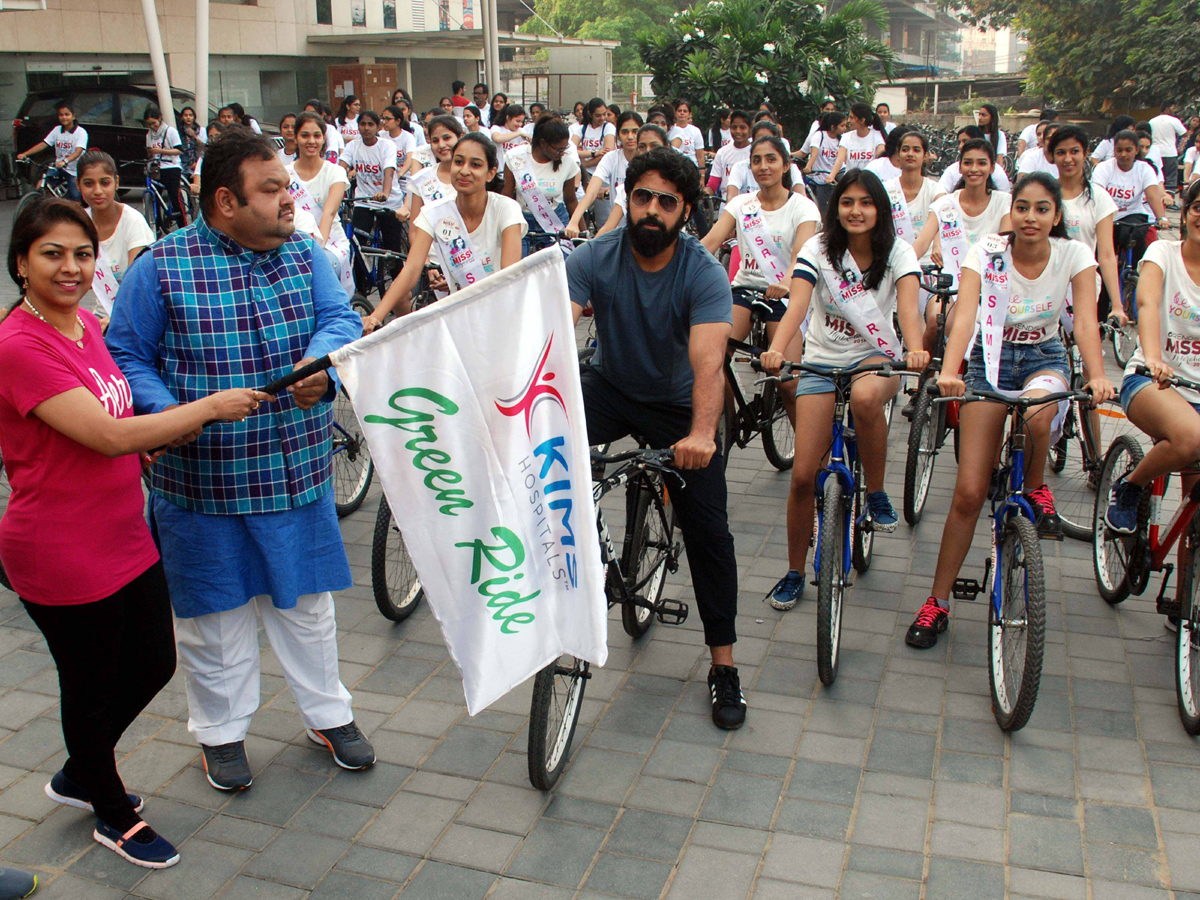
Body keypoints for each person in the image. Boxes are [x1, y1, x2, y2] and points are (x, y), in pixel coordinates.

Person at [0, 197, 269, 868]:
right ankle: (110, 811)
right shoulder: (17, 346)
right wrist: (203, 409)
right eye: (52, 254)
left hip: (124, 529)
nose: (71, 267)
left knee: (154, 661)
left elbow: (110, 418)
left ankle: (79, 771)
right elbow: (109, 432)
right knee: (88, 687)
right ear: (20, 264)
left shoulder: (85, 324)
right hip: (61, 547)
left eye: (83, 253)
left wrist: (140, 445)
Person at [106, 128, 374, 791]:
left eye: (287, 185)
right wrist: (173, 414)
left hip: (293, 470)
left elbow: (341, 320)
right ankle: (221, 735)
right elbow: (125, 354)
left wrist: (324, 367)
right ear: (226, 201)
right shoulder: (161, 268)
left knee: (306, 607)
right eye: (274, 189)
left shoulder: (305, 255)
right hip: (200, 482)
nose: (290, 199)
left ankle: (326, 714)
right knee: (214, 616)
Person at [566, 147, 746, 729]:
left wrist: (700, 433)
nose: (650, 209)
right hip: (613, 386)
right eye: (641, 196)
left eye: (666, 202)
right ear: (627, 199)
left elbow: (708, 361)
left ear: (686, 211)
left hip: (679, 403)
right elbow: (552, 329)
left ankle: (724, 665)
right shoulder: (596, 255)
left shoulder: (702, 272)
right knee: (536, 447)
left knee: (708, 531)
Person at [906, 173, 1113, 647]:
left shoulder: (1074, 255)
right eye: (1022, 207)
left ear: (1057, 216)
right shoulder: (988, 253)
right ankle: (937, 601)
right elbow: (966, 315)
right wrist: (950, 369)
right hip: (988, 361)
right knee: (969, 492)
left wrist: (1099, 375)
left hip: (1044, 359)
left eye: (1043, 209)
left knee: (1040, 414)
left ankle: (1037, 485)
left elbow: (1083, 321)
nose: (1031, 217)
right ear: (1010, 212)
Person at [760, 170, 928, 610]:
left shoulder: (898, 253)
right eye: (847, 202)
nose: (856, 211)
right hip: (820, 363)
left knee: (867, 398)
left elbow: (910, 311)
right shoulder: (817, 250)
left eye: (866, 202)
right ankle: (795, 571)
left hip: (876, 359)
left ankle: (875, 491)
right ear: (835, 208)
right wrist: (777, 349)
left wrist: (914, 349)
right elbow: (796, 305)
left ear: (880, 209)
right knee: (802, 478)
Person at [1105, 181, 1200, 567]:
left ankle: (1183, 614)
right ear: (1187, 212)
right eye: (1198, 207)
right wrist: (1155, 356)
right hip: (1153, 381)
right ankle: (1130, 488)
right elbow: (1147, 302)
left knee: (1195, 517)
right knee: (1192, 438)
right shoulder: (1163, 252)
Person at [702, 133, 820, 434]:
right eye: (756, 160)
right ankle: (727, 424)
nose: (763, 166)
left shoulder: (803, 208)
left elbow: (801, 256)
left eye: (771, 159)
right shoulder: (741, 204)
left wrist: (785, 280)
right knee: (713, 363)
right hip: (744, 288)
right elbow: (713, 240)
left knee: (788, 381)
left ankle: (808, 453)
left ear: (785, 165)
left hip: (786, 294)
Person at [364, 134, 525, 330]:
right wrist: (375, 316)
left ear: (490, 173)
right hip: (455, 311)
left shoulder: (506, 208)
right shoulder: (435, 212)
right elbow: (412, 269)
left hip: (498, 312)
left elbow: (508, 275)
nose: (464, 171)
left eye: (475, 165)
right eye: (458, 162)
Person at [914, 138, 1014, 288]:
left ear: (992, 168)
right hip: (950, 284)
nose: (974, 169)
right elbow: (921, 244)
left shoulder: (1005, 202)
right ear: (960, 168)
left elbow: (1006, 245)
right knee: (936, 311)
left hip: (990, 285)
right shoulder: (944, 204)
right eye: (968, 163)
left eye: (982, 163)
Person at [1050, 125, 1123, 321]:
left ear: (1085, 153)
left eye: (1074, 151)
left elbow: (1106, 254)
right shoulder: (1045, 194)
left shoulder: (1099, 197)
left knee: (1080, 344)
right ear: (1052, 156)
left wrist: (1117, 304)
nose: (1067, 159)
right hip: (1045, 285)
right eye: (1061, 152)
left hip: (1083, 284)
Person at [1092, 130, 1170, 275]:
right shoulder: (1104, 168)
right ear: (1114, 151)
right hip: (1107, 216)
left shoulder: (1144, 169)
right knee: (1102, 255)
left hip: (1133, 214)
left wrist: (1161, 218)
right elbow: (1098, 195)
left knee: (1136, 236)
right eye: (1119, 150)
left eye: (1128, 150)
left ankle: (1136, 273)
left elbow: (1152, 195)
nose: (1123, 154)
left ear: (1136, 150)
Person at [503, 117, 579, 256]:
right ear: (543, 143)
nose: (562, 153)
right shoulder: (516, 157)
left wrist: (581, 235)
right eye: (558, 149)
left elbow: (571, 200)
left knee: (562, 266)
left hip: (555, 220)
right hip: (523, 221)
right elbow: (507, 196)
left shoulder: (567, 163)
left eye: (565, 148)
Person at [78, 151, 155, 286]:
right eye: (89, 184)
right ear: (78, 185)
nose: (97, 191)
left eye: (105, 183)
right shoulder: (79, 222)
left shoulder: (133, 222)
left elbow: (135, 281)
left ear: (116, 182)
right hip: (99, 307)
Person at [567, 111, 641, 238]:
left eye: (635, 131)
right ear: (617, 135)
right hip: (617, 230)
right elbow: (591, 193)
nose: (630, 136)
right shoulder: (611, 158)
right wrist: (573, 222)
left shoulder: (649, 160)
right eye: (625, 132)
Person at [338, 110, 404, 252]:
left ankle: (396, 272)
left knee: (392, 248)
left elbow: (389, 173)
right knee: (357, 244)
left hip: (389, 202)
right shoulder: (353, 146)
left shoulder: (387, 146)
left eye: (370, 124)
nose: (366, 128)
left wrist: (384, 193)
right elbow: (339, 169)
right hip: (364, 201)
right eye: (362, 124)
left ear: (377, 127)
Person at [287, 111, 351, 250]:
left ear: (323, 138)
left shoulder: (335, 172)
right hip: (293, 244)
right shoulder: (285, 174)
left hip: (330, 244)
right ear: (296, 138)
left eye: (316, 135)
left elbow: (329, 213)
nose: (311, 141)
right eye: (305, 135)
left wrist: (317, 251)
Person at [595, 124, 669, 236]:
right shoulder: (628, 189)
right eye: (642, 146)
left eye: (654, 146)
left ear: (666, 147)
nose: (648, 151)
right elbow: (608, 228)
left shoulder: (676, 185)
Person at [16, 103, 88, 202]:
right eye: (61, 115)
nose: (64, 117)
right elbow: (44, 144)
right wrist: (25, 154)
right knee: (42, 183)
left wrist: (65, 161)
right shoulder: (57, 130)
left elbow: (78, 152)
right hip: (58, 166)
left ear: (73, 116)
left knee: (76, 197)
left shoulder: (81, 132)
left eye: (67, 114)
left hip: (74, 169)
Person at [405, 115, 465, 225]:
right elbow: (415, 229)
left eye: (447, 138)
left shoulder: (473, 175)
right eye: (435, 141)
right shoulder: (424, 179)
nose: (441, 145)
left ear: (460, 137)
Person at [143, 106, 187, 229]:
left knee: (174, 197)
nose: (152, 126)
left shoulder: (171, 131)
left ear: (160, 119)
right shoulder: (149, 135)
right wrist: (151, 152)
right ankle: (157, 227)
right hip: (157, 167)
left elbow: (179, 150)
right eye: (149, 124)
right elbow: (149, 152)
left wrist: (162, 150)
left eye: (154, 123)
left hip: (172, 166)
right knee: (156, 197)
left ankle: (183, 226)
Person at [938, 125, 1012, 194]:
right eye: (967, 163)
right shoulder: (952, 169)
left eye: (965, 141)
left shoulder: (997, 171)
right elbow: (940, 192)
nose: (961, 146)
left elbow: (1005, 195)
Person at [825, 102, 885, 183]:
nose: (848, 121)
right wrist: (831, 176)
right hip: (851, 182)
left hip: (870, 183)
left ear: (862, 120)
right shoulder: (846, 137)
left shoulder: (877, 136)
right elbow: (839, 159)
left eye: (851, 117)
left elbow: (880, 159)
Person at [802, 111, 847, 213]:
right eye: (842, 126)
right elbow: (814, 154)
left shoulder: (843, 139)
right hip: (822, 175)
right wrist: (809, 166)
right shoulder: (819, 135)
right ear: (832, 127)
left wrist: (833, 174)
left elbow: (841, 159)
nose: (845, 128)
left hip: (838, 171)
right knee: (824, 208)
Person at [706, 109, 752, 199]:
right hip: (726, 205)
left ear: (749, 130)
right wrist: (707, 191)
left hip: (750, 205)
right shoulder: (722, 153)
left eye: (742, 127)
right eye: (734, 127)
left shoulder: (755, 152)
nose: (738, 131)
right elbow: (714, 182)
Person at [380, 105, 418, 210]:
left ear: (397, 121)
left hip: (404, 178)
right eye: (383, 118)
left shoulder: (408, 137)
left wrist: (400, 173)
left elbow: (410, 158)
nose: (384, 122)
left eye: (388, 119)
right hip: (387, 177)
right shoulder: (381, 135)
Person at [574, 98, 617, 185]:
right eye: (598, 115)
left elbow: (607, 154)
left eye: (604, 114)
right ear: (590, 114)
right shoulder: (583, 129)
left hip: (603, 176)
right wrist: (594, 153)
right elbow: (570, 150)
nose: (602, 118)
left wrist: (585, 164)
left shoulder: (608, 127)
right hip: (585, 176)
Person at [489, 104, 530, 192]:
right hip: (500, 173)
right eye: (517, 121)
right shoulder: (497, 128)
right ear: (508, 117)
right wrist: (518, 134)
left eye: (521, 122)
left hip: (518, 174)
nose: (519, 124)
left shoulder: (522, 131)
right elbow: (497, 138)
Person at [1150, 101, 1187, 196]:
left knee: (1156, 176)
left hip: (1155, 153)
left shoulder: (1152, 121)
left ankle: (1156, 197)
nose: (1174, 111)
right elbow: (1184, 133)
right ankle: (1170, 199)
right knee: (1170, 178)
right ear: (1167, 109)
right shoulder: (1174, 120)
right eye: (1173, 108)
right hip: (1170, 153)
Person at [669, 99, 706, 170]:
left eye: (685, 111)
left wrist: (702, 176)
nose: (682, 113)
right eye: (679, 111)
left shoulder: (696, 131)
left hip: (692, 169)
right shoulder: (670, 130)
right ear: (675, 113)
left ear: (690, 114)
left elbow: (700, 155)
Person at [303, 99, 343, 163]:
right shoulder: (302, 130)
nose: (309, 117)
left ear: (322, 115)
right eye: (306, 114)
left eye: (313, 114)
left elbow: (332, 151)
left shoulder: (330, 129)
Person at [178, 106, 203, 179]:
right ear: (182, 117)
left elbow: (203, 146)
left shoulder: (201, 130)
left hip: (197, 162)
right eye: (185, 115)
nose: (188, 117)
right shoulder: (179, 132)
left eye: (190, 115)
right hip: (184, 164)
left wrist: (194, 136)